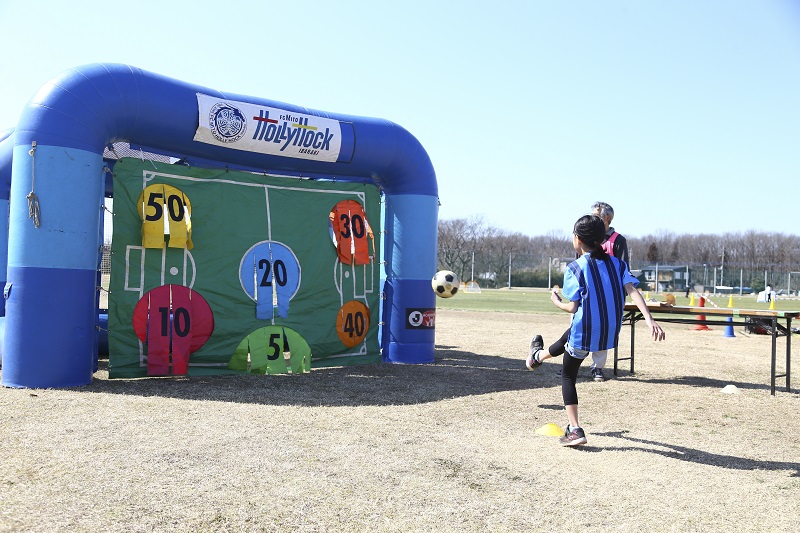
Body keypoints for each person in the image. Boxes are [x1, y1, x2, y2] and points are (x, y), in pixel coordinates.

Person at [525, 215, 665, 446]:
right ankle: (537, 356)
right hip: (607, 333)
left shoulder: (575, 267)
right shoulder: (618, 264)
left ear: (578, 239)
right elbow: (632, 290)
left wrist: (555, 301)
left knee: (569, 374)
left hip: (585, 331)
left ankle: (575, 430)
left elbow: (572, 306)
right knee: (568, 337)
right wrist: (648, 319)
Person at [587, 201, 629, 381]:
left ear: (607, 219)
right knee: (577, 326)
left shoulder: (618, 240)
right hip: (588, 291)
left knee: (602, 331)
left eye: (596, 217)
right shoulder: (586, 236)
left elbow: (624, 268)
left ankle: (597, 368)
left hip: (607, 296)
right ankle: (568, 362)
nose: (592, 220)